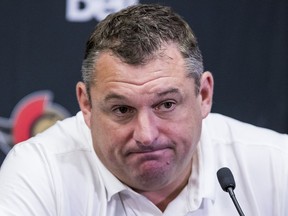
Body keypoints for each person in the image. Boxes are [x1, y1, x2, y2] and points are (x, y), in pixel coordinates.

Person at [0, 3, 287, 216]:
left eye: (166, 105)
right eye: (122, 109)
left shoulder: (276, 165)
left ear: (203, 94)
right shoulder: (39, 171)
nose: (147, 135)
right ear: (86, 104)